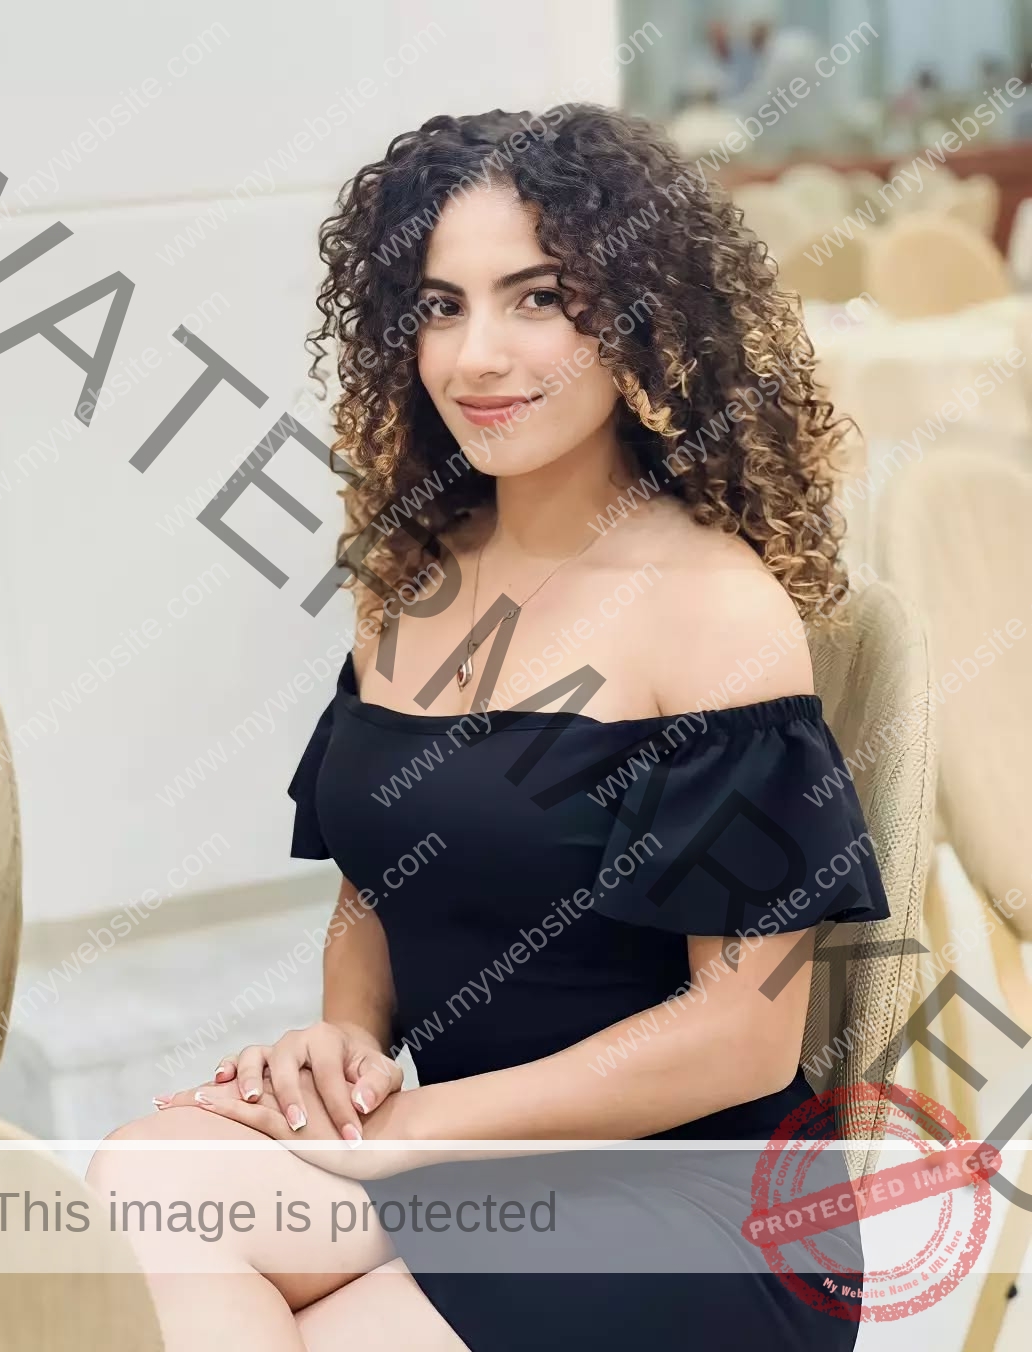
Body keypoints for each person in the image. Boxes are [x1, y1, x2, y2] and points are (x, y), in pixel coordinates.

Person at [87, 103, 891, 1349]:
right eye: (441, 306)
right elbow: (375, 881)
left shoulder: (714, 611)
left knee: (347, 1327)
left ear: (639, 319)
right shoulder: (407, 580)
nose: (477, 355)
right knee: (146, 1174)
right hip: (472, 1169)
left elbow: (741, 1035)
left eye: (537, 299)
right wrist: (344, 1048)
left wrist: (414, 1131)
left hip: (695, 1203)